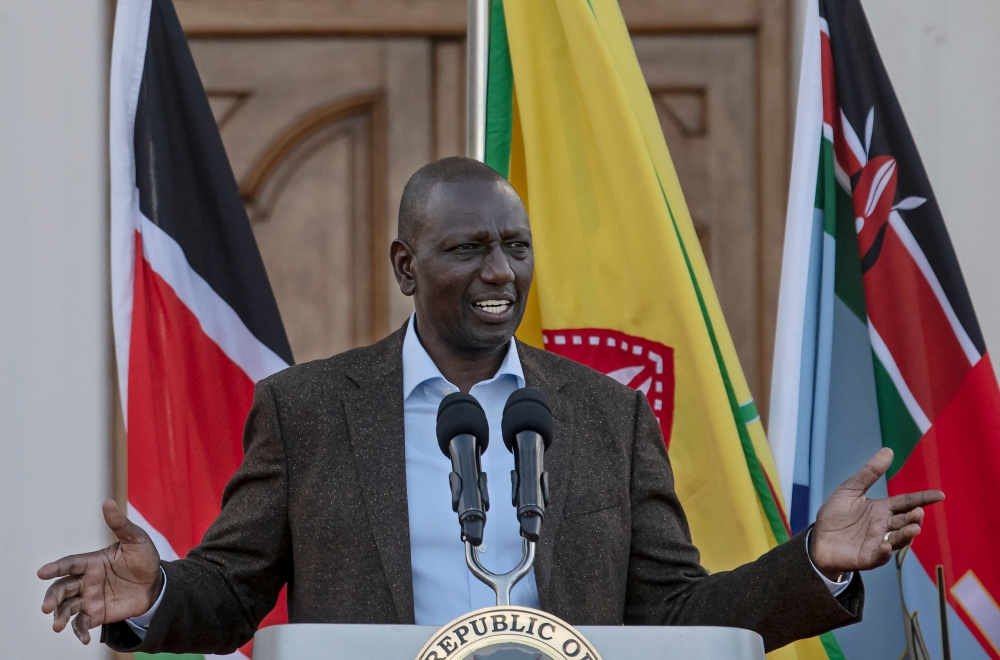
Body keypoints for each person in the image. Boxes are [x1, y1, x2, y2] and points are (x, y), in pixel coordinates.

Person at [38, 157, 943, 655]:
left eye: (515, 246)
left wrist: (815, 565)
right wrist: (156, 593)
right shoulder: (307, 411)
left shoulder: (605, 416)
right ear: (406, 266)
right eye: (469, 248)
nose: (500, 273)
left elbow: (672, 615)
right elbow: (231, 595)